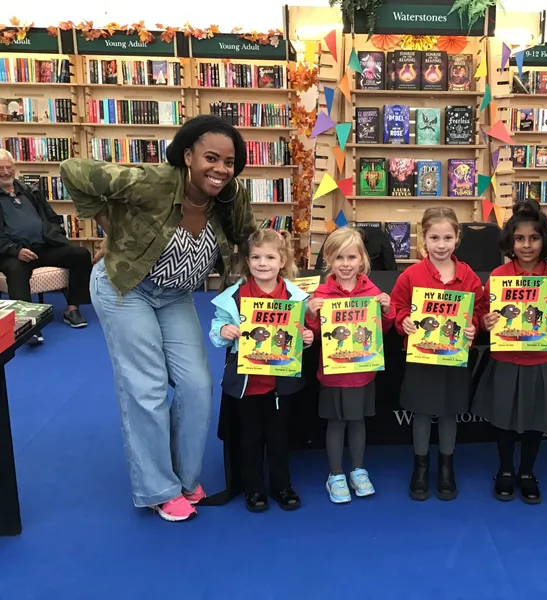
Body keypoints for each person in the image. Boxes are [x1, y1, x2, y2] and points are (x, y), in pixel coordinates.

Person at [59, 115, 257, 522]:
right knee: (146, 386)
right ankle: (157, 488)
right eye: (211, 158)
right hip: (126, 287)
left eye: (229, 162)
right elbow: (72, 170)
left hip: (175, 295)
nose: (220, 169)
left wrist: (288, 287)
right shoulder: (152, 181)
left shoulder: (230, 195)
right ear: (188, 156)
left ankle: (185, 479)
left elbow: (248, 237)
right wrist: (106, 226)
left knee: (198, 385)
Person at [473, 200, 547, 504]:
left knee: (535, 421)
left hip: (541, 361)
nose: (527, 245)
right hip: (505, 360)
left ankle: (528, 471)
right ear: (510, 242)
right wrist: (486, 321)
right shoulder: (498, 276)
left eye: (533, 238)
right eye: (519, 238)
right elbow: (481, 315)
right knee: (503, 420)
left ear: (544, 240)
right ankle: (505, 470)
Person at [209, 229, 313, 513]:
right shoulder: (235, 297)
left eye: (270, 257)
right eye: (255, 257)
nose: (262, 263)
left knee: (280, 438)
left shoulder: (295, 297)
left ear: (283, 261)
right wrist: (225, 330)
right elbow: (216, 330)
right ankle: (253, 489)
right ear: (247, 260)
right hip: (247, 384)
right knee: (249, 439)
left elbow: (297, 335)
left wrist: (306, 338)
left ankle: (282, 485)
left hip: (280, 384)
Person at [390, 207, 486, 501]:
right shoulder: (411, 274)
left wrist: (473, 327)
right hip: (421, 357)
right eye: (434, 237)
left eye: (447, 237)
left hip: (454, 358)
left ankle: (447, 466)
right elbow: (398, 307)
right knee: (420, 411)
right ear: (423, 241)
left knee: (449, 413)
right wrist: (402, 322)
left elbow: (479, 311)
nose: (441, 244)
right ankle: (420, 466)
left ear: (457, 238)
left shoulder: (468, 275)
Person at [305, 227, 395, 504]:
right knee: (336, 424)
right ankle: (335, 474)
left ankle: (357, 469)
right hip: (333, 374)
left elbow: (383, 331)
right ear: (328, 260)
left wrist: (387, 310)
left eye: (352, 257)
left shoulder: (372, 290)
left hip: (363, 372)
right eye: (339, 258)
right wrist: (310, 313)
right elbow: (313, 333)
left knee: (357, 423)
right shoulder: (321, 292)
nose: (345, 264)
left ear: (362, 260)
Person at [0, 149, 91, 339]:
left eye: (9, 167)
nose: (6, 172)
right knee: (16, 271)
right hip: (12, 253)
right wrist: (15, 250)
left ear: (15, 168)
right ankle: (26, 326)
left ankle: (72, 308)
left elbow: (52, 218)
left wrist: (56, 235)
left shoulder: (29, 190)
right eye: (1, 168)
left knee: (81, 255)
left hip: (43, 246)